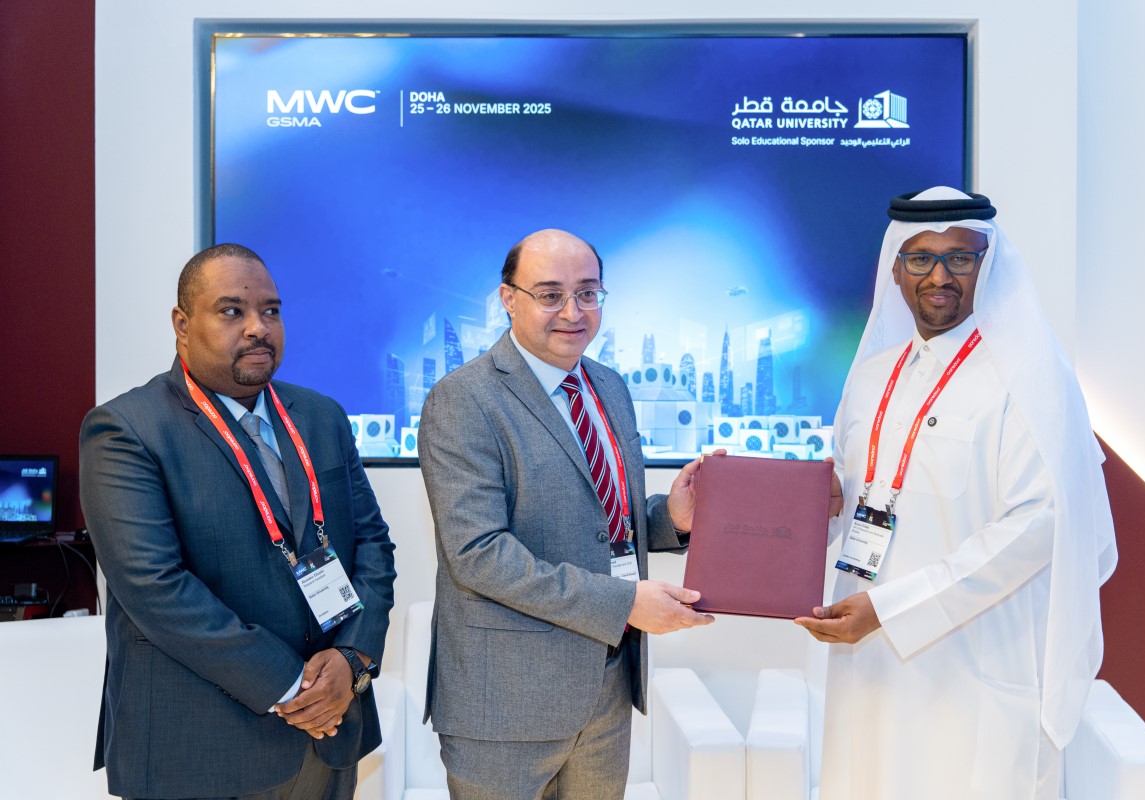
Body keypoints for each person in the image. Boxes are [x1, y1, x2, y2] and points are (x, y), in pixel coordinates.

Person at [796, 188, 1118, 799]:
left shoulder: (1028, 379)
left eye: (960, 259)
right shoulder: (870, 377)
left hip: (977, 664)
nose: (939, 277)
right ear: (896, 268)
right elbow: (851, 496)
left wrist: (894, 610)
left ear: (986, 266)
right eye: (921, 258)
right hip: (868, 657)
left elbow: (1039, 523)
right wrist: (791, 510)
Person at [80, 244, 397, 799]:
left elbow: (371, 544)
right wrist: (296, 686)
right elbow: (156, 589)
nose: (258, 327)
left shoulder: (321, 416)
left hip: (328, 737)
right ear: (182, 324)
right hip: (199, 751)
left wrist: (352, 659)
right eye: (232, 311)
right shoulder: (126, 430)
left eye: (271, 311)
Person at [418, 228, 716, 800]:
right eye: (551, 295)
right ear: (509, 299)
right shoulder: (464, 399)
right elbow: (478, 554)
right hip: (506, 701)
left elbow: (601, 521)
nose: (573, 312)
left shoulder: (609, 386)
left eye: (587, 293)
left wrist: (670, 519)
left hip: (607, 687)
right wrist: (625, 603)